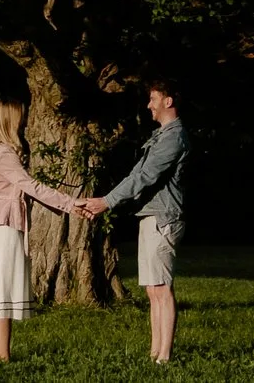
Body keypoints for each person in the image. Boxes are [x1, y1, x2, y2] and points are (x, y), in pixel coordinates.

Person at [76, 77, 188, 364]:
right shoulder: (161, 136)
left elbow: (145, 176)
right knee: (152, 289)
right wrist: (106, 201)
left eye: (153, 99)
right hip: (149, 216)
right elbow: (135, 175)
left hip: (163, 218)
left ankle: (165, 356)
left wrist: (106, 202)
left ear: (168, 101)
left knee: (162, 288)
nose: (148, 105)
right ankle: (155, 353)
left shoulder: (174, 138)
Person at [0, 97, 81, 361]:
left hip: (5, 227)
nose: (24, 122)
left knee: (4, 291)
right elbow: (32, 187)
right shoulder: (4, 154)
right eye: (20, 117)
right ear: (11, 119)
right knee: (2, 291)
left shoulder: (1, 152)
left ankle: (3, 355)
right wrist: (70, 204)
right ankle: (1, 356)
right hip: (5, 229)